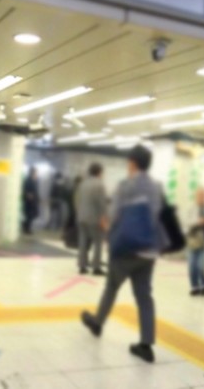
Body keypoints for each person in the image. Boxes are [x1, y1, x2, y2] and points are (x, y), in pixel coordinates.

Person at [81, 145, 166, 364]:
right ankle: (146, 345)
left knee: (111, 286)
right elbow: (156, 214)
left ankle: (98, 323)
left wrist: (109, 230)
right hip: (148, 250)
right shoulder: (156, 187)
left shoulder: (125, 186)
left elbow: (113, 215)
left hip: (126, 249)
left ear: (133, 163)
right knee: (144, 296)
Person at [75, 163, 108, 276]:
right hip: (94, 218)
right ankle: (96, 267)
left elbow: (78, 200)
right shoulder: (99, 184)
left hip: (81, 217)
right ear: (99, 172)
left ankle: (82, 266)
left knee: (83, 241)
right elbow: (102, 203)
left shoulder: (83, 183)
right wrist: (104, 218)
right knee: (98, 242)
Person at [22, 167, 40, 235]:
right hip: (29, 201)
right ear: (32, 173)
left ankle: (25, 225)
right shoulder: (28, 180)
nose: (36, 174)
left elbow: (36, 190)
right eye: (35, 173)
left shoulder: (36, 180)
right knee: (29, 215)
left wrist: (38, 198)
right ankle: (27, 229)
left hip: (34, 200)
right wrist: (28, 194)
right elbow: (24, 189)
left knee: (34, 214)